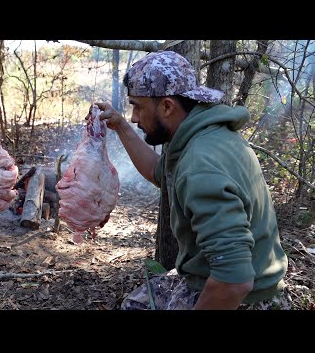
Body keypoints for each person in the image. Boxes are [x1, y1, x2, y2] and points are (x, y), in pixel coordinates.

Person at [89, 50, 290, 310]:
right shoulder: (205, 135)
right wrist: (121, 127)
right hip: (226, 278)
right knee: (136, 304)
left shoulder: (200, 165)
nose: (134, 117)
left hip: (246, 299)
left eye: (137, 106)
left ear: (167, 106)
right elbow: (158, 172)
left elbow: (234, 281)